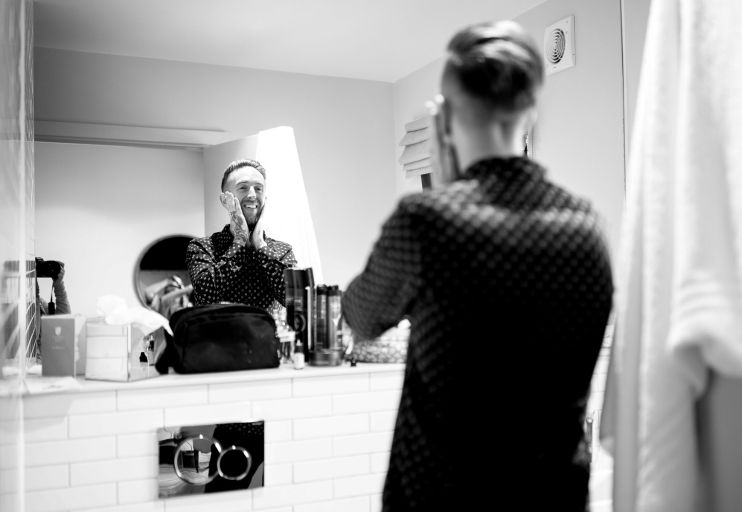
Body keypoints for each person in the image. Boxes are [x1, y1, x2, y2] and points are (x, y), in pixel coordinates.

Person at [341, 20, 614, 511]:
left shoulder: (427, 221)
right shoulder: (586, 226)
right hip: (555, 496)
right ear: (531, 110)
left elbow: (360, 318)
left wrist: (445, 192)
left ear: (444, 119)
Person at [186, 159, 297, 310]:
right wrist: (239, 240)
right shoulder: (202, 247)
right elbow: (206, 295)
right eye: (243, 187)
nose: (252, 195)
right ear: (225, 200)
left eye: (258, 189)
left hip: (266, 334)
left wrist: (260, 245)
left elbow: (295, 301)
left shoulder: (283, 251)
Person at [32, 258, 71, 360]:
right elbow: (63, 318)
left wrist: (58, 284)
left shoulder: (39, 304)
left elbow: (63, 320)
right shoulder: (35, 304)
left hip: (40, 361)